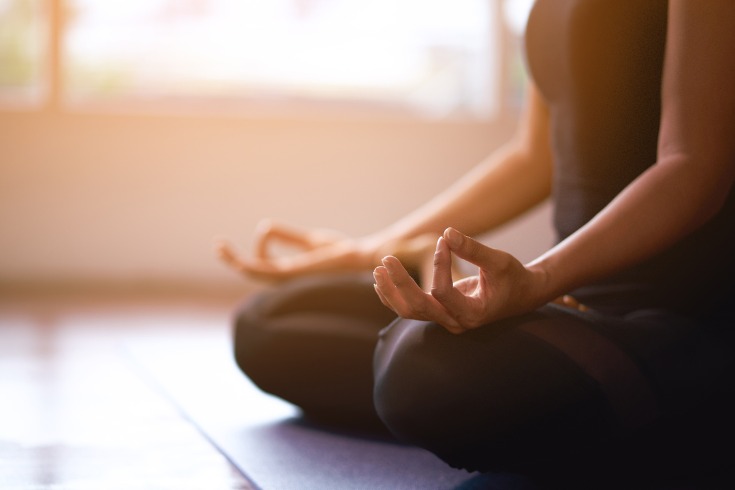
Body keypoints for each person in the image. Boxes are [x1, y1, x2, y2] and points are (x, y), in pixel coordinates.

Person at [217, 0, 735, 483]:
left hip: (671, 319)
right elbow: (534, 156)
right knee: (269, 326)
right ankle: (539, 403)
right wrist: (377, 248)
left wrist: (539, 280)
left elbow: (692, 165)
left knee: (423, 369)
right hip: (565, 304)